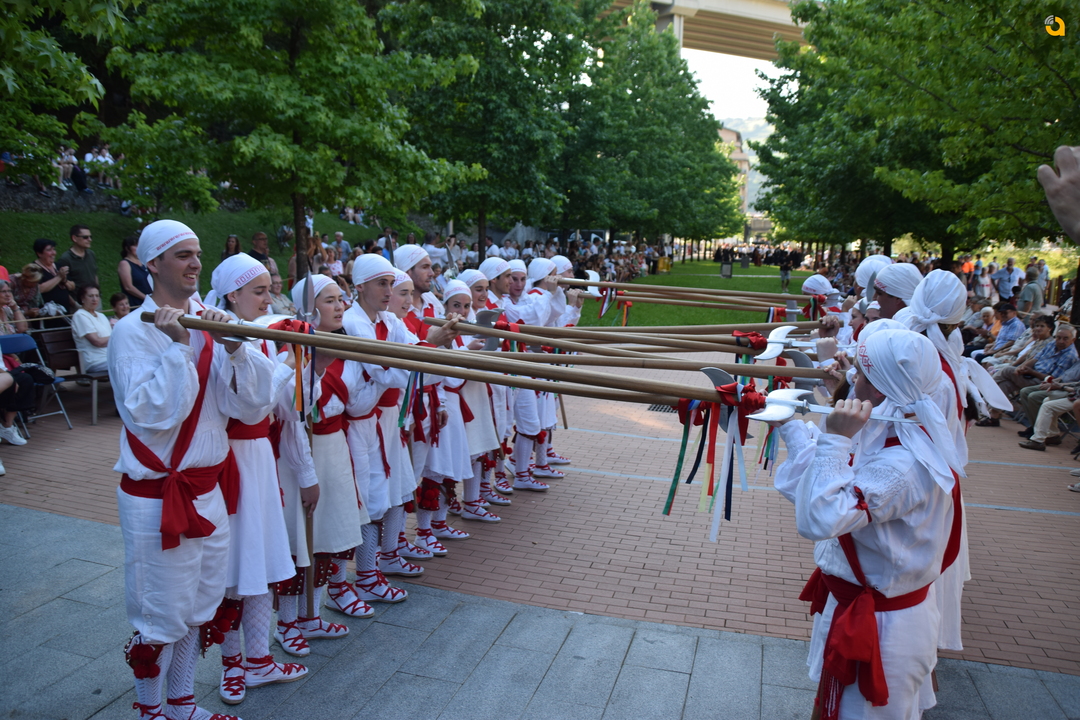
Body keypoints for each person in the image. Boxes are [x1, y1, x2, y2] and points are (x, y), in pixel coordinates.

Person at [109, 219, 276, 720]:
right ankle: (151, 711)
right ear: (152, 263)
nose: (195, 263)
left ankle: (182, 704)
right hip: (157, 496)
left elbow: (250, 406)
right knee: (161, 612)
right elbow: (152, 415)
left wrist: (236, 347)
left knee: (200, 605)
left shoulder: (211, 321)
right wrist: (181, 347)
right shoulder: (130, 332)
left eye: (197, 253)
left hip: (208, 490)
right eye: (182, 255)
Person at [772, 329, 963, 720]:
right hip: (859, 607)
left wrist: (835, 439)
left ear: (878, 388)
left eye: (858, 372)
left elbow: (819, 517)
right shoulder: (883, 435)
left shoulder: (904, 464)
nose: (850, 378)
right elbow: (818, 489)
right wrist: (789, 423)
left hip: (883, 627)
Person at [202, 254, 310, 704]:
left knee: (262, 560)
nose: (269, 298)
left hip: (260, 459)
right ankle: (232, 663)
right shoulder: (220, 338)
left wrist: (302, 359)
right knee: (235, 566)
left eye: (269, 289)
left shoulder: (258, 336)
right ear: (232, 295)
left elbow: (288, 409)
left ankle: (260, 659)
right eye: (259, 291)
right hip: (233, 458)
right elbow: (253, 407)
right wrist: (287, 361)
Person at [978, 324, 1079, 426]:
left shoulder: (1070, 355)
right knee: (1005, 384)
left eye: (1065, 338)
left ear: (1073, 340)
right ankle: (994, 416)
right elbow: (1035, 359)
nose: (1061, 341)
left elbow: (1052, 379)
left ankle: (980, 399)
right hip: (1029, 376)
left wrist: (1031, 372)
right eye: (1058, 337)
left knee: (1006, 370)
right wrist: (1022, 367)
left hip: (1042, 382)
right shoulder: (1052, 344)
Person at [71, 284, 111, 373]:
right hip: (95, 361)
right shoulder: (80, 315)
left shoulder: (101, 316)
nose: (94, 299)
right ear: (82, 298)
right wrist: (116, 335)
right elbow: (97, 342)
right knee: (128, 365)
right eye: (90, 296)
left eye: (97, 296)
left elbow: (110, 340)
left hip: (110, 357)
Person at [32, 238, 74, 312]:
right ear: (39, 253)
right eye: (49, 250)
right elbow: (39, 289)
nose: (53, 253)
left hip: (65, 312)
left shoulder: (59, 266)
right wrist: (59, 277)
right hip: (47, 313)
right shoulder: (34, 269)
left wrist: (64, 280)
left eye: (54, 249)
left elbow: (72, 286)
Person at [57, 224, 99, 293]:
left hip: (93, 296)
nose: (90, 240)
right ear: (74, 238)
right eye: (85, 237)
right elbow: (64, 284)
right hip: (77, 297)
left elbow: (94, 275)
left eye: (90, 237)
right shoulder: (66, 259)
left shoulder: (91, 254)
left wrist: (97, 292)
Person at [118, 234, 152, 309]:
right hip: (136, 303)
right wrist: (146, 298)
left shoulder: (144, 262)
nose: (139, 248)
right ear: (127, 248)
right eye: (135, 246)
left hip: (149, 302)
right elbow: (128, 287)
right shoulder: (125, 264)